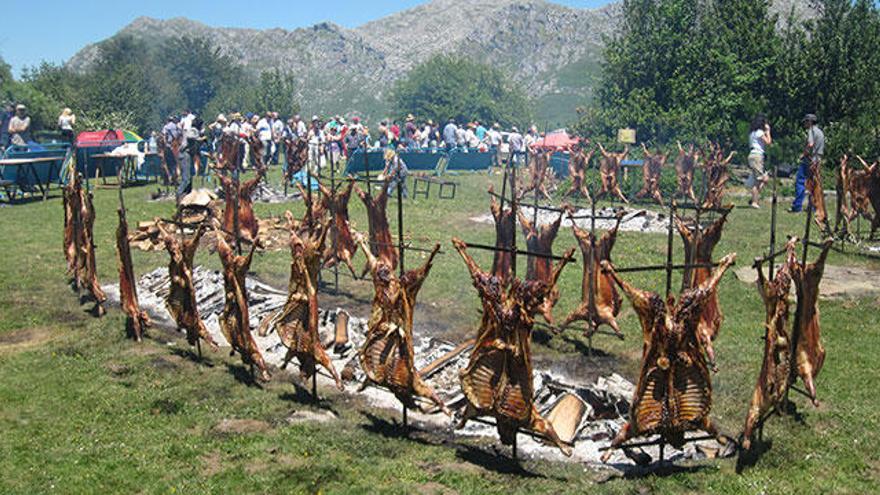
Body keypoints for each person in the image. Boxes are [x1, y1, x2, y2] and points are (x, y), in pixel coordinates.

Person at [791, 113, 824, 213]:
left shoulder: (811, 130)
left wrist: (804, 153)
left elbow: (810, 144)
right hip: (817, 159)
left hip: (809, 159)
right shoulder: (820, 132)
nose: (805, 124)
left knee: (800, 181)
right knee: (814, 184)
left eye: (806, 121)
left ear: (810, 122)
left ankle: (797, 206)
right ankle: (814, 206)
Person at [747, 115, 772, 208]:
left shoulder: (752, 133)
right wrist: (768, 132)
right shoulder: (759, 132)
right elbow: (768, 142)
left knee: (763, 179)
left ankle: (754, 198)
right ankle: (754, 202)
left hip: (753, 155)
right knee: (759, 180)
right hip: (757, 156)